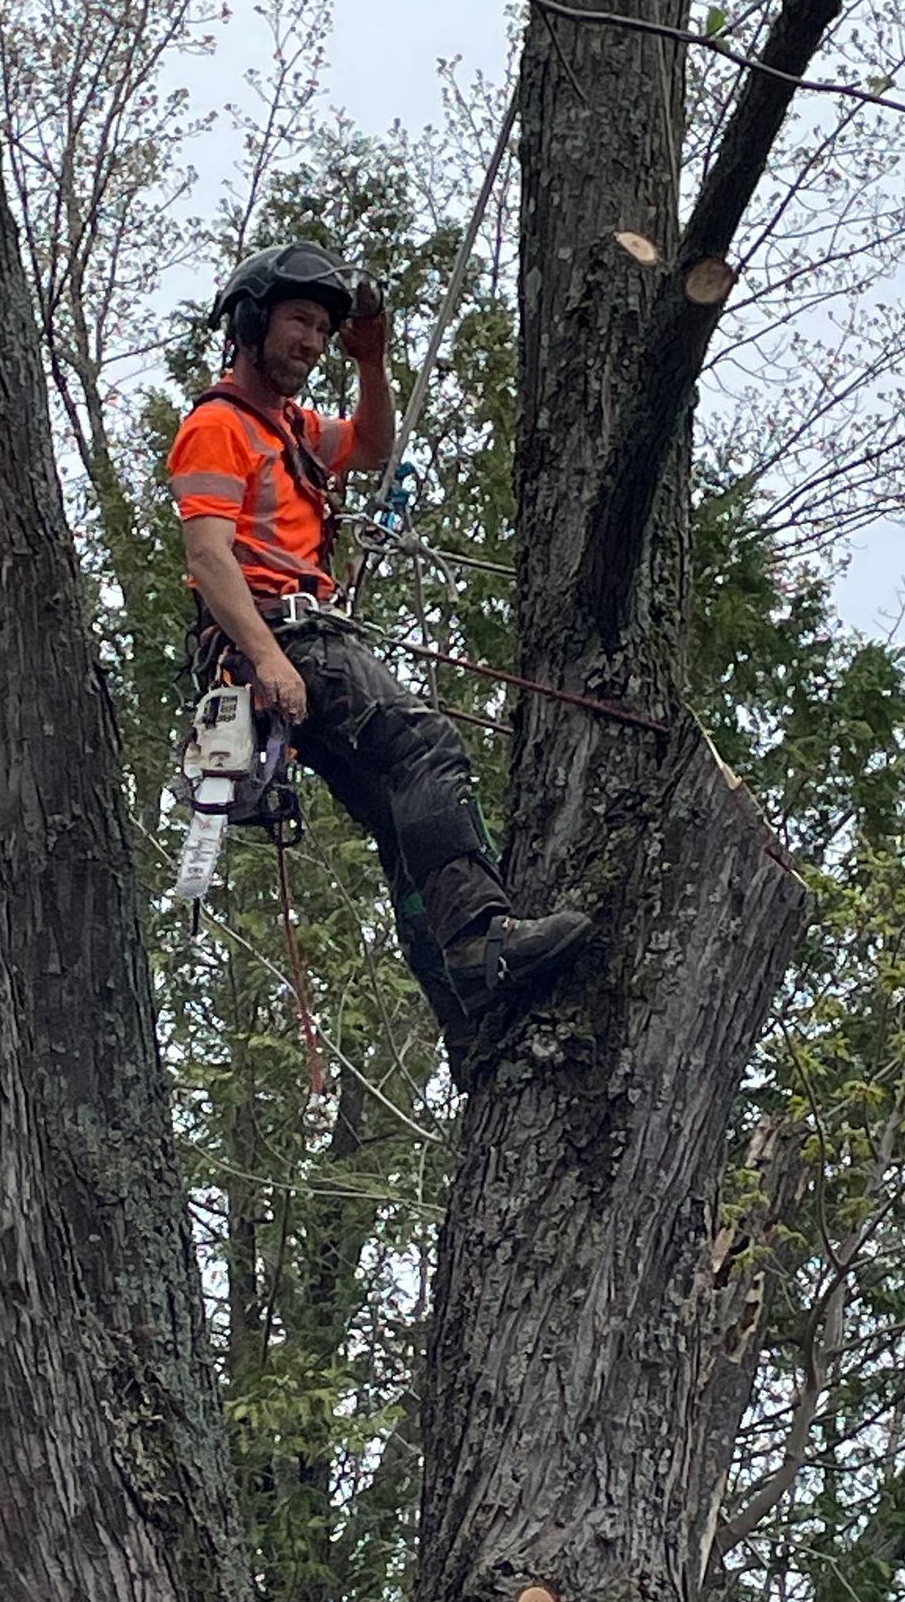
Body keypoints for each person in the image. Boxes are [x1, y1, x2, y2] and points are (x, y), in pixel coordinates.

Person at [167, 241, 591, 1064]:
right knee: (425, 745)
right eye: (298, 322)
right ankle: (481, 939)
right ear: (252, 323)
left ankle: (470, 1025)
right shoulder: (217, 429)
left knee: (405, 824)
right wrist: (273, 660)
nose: (312, 342)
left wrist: (373, 361)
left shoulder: (286, 428)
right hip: (284, 639)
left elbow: (369, 444)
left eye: (323, 330)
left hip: (299, 641)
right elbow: (211, 558)